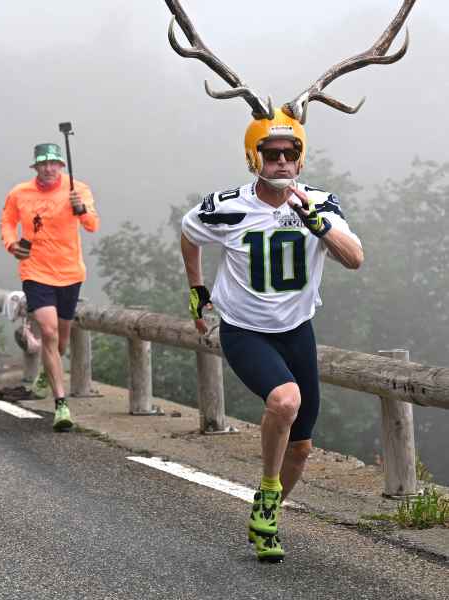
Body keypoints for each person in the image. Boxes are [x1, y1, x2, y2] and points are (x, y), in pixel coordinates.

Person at [180, 110, 363, 562]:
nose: (281, 161)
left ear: (301, 160)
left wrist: (316, 223)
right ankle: (266, 488)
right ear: (253, 157)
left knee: (301, 448)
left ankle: (267, 516)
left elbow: (355, 258)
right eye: (271, 153)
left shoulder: (321, 202)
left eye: (290, 153)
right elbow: (189, 235)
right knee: (285, 400)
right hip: (245, 330)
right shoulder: (226, 205)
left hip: (297, 331)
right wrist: (197, 290)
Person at [0, 142, 100, 431]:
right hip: (35, 270)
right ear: (36, 167)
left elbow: (93, 224)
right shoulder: (20, 193)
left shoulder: (77, 189)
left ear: (60, 165)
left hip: (70, 272)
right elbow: (7, 222)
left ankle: (46, 370)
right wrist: (12, 244)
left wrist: (81, 209)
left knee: (61, 341)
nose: (48, 168)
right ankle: (61, 404)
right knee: (48, 330)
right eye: (43, 164)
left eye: (53, 163)